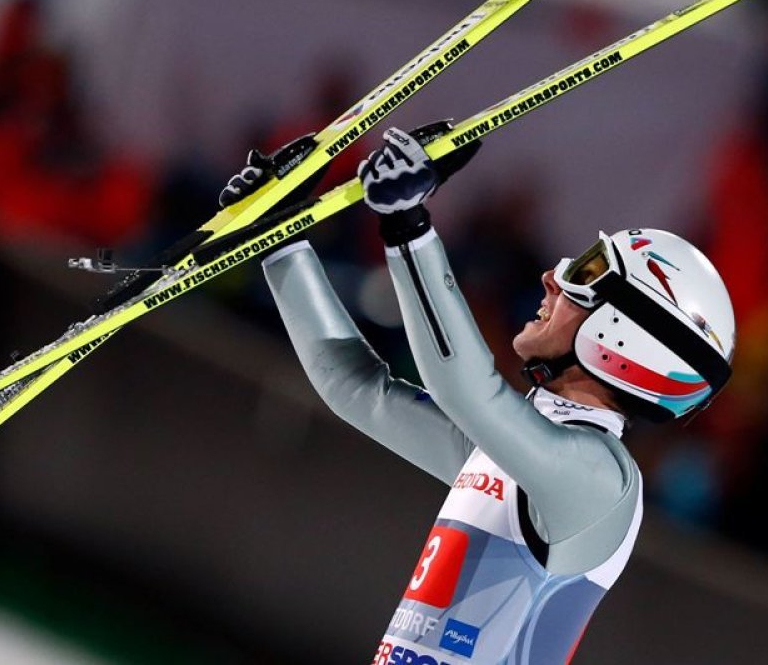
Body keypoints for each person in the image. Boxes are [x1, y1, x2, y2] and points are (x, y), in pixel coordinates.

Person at [220, 125, 735, 664]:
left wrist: (408, 226)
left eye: (585, 275)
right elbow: (356, 388)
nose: (552, 277)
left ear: (625, 337)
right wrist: (281, 240)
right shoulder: (522, 457)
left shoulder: (601, 483)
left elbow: (465, 388)